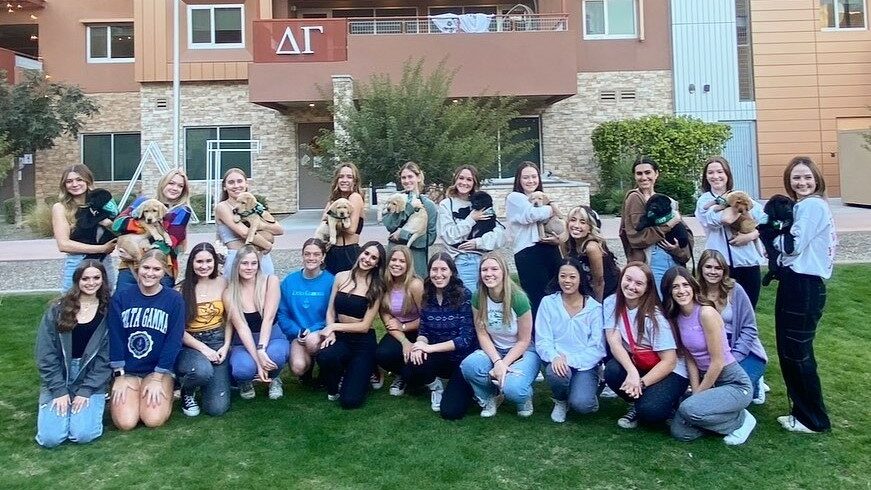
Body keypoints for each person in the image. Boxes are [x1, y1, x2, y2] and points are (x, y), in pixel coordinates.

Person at [773, 156, 837, 434]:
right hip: (798, 284)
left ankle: (812, 419)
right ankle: (802, 413)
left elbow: (791, 246)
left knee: (796, 353)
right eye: (796, 178)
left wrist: (769, 236)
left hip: (803, 285)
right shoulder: (803, 206)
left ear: (817, 179)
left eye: (807, 177)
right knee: (792, 351)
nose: (802, 182)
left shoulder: (812, 206)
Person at [662, 267, 756, 445]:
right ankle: (720, 415)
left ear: (693, 286)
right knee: (680, 432)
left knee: (688, 408)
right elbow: (690, 358)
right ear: (669, 291)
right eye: (675, 287)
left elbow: (718, 362)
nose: (681, 291)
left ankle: (741, 420)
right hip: (712, 384)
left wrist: (697, 395)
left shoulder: (706, 313)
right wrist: (695, 389)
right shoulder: (677, 317)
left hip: (734, 383)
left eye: (685, 285)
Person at [35, 260, 111, 448]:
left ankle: (89, 408)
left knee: (82, 434)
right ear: (77, 280)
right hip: (61, 375)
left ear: (103, 280)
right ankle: (59, 407)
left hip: (91, 378)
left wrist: (86, 391)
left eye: (96, 278)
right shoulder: (58, 309)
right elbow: (46, 354)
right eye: (85, 278)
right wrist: (59, 390)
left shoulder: (109, 311)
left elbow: (105, 359)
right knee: (50, 439)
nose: (91, 283)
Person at [603, 262, 688, 429]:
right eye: (628, 279)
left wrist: (640, 383)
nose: (631, 286)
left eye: (639, 283)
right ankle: (641, 402)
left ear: (647, 288)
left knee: (650, 412)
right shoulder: (611, 303)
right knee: (612, 371)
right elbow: (613, 340)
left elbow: (669, 361)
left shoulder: (654, 316)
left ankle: (667, 400)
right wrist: (632, 373)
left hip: (672, 370)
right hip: (641, 364)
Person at [108, 249, 185, 430]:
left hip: (157, 371)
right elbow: (115, 336)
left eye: (156, 269)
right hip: (128, 370)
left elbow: (174, 340)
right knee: (125, 423)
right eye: (146, 267)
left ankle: (165, 389)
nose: (150, 273)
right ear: (137, 267)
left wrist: (158, 378)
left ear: (164, 271)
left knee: (152, 420)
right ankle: (134, 390)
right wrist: (119, 375)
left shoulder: (174, 299)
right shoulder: (121, 297)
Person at [461, 254, 540, 418]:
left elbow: (524, 340)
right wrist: (497, 361)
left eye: (494, 269)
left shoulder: (518, 299)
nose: (489, 273)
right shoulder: (478, 296)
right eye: (484, 269)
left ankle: (523, 397)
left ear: (504, 272)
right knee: (469, 366)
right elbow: (482, 333)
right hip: (495, 349)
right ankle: (492, 396)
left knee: (515, 389)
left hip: (522, 351)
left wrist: (503, 364)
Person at [405, 253, 477, 416]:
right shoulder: (427, 296)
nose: (438, 274)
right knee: (412, 364)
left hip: (462, 359)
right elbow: (424, 330)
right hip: (439, 357)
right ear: (429, 272)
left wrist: (429, 348)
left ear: (452, 272)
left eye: (443, 269)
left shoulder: (464, 295)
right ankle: (436, 386)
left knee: (450, 412)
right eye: (434, 270)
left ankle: (476, 388)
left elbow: (465, 340)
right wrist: (419, 344)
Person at [535, 258, 606, 423]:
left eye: (572, 277)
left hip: (585, 365)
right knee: (556, 373)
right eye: (563, 276)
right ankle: (560, 400)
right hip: (558, 363)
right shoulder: (548, 303)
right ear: (557, 277)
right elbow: (542, 340)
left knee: (582, 405)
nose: (567, 281)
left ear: (580, 278)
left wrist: (569, 360)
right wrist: (555, 358)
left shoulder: (594, 309)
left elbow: (597, 347)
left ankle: (591, 389)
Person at [317, 241, 386, 409]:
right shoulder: (341, 276)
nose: (368, 259)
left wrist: (333, 327)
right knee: (324, 356)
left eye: (374, 258)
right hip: (341, 338)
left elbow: (364, 326)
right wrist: (331, 332)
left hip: (362, 342)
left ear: (377, 263)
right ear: (360, 253)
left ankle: (370, 369)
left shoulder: (377, 287)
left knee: (350, 401)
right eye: (366, 254)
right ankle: (343, 372)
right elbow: (331, 311)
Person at [697, 249, 768, 404]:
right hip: (712, 350)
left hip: (744, 350)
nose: (713, 272)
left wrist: (735, 357)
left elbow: (750, 328)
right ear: (701, 268)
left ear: (724, 271)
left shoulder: (735, 290)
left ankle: (756, 383)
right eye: (708, 267)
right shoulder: (696, 293)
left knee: (734, 392)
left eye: (718, 268)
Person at [694, 156, 765, 307]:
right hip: (720, 265)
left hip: (748, 263)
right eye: (710, 173)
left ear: (727, 175)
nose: (715, 176)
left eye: (720, 172)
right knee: (721, 313)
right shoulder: (704, 201)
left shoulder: (741, 195)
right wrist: (737, 205)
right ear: (705, 177)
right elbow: (722, 219)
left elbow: (763, 220)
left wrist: (751, 235)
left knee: (747, 312)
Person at [618, 156, 691, 291]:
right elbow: (636, 238)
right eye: (639, 173)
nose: (644, 177)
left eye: (648, 172)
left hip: (673, 258)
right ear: (634, 176)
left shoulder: (664, 200)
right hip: (652, 260)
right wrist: (668, 225)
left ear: (656, 174)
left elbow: (683, 229)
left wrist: (677, 249)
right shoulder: (635, 198)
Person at [175, 242, 231, 417]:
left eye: (209, 261)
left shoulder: (223, 282)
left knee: (216, 408)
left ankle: (210, 385)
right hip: (191, 343)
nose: (204, 266)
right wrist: (204, 349)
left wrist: (226, 346)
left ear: (215, 262)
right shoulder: (180, 289)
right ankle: (187, 390)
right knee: (202, 371)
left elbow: (230, 319)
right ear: (192, 262)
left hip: (218, 339)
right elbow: (178, 330)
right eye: (199, 261)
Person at [225, 245, 288, 400]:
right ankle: (245, 381)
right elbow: (241, 327)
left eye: (253, 263)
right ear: (237, 265)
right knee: (243, 369)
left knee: (275, 355)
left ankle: (274, 379)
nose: (249, 268)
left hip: (272, 336)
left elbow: (268, 318)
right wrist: (259, 363)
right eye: (245, 263)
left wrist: (262, 349)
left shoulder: (270, 281)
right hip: (244, 341)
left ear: (259, 265)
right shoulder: (229, 292)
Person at [113, 169, 193, 288]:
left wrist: (135, 254)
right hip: (129, 268)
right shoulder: (143, 202)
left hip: (161, 270)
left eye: (180, 186)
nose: (175, 188)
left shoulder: (182, 212)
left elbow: (167, 245)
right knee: (123, 304)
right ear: (163, 183)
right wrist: (146, 228)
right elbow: (117, 225)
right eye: (171, 183)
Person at [505, 161, 562, 319]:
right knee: (537, 297)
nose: (530, 181)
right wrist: (552, 208)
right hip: (528, 253)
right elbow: (531, 215)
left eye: (534, 176)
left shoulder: (540, 197)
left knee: (557, 293)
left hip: (549, 248)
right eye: (526, 177)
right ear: (519, 180)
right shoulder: (514, 197)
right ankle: (537, 336)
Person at [437, 165, 505, 294]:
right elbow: (449, 235)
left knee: (486, 303)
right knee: (469, 301)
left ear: (474, 183)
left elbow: (500, 234)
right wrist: (471, 218)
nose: (464, 182)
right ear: (455, 179)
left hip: (485, 260)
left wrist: (478, 242)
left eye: (469, 179)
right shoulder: (446, 204)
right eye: (461, 178)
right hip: (461, 259)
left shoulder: (481, 202)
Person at [276, 238, 335, 382]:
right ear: (302, 256)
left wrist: (315, 329)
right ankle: (307, 372)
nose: (311, 258)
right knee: (298, 367)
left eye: (316, 254)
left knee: (312, 341)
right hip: (298, 334)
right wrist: (297, 331)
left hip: (320, 333)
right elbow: (282, 314)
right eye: (307, 254)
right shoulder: (290, 281)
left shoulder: (331, 281)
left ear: (323, 257)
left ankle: (325, 369)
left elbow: (334, 313)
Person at [52, 164, 117, 290]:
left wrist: (109, 224)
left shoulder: (103, 202)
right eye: (69, 181)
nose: (74, 184)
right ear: (64, 185)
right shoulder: (60, 208)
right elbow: (63, 245)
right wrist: (102, 248)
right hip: (78, 262)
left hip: (103, 262)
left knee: (106, 304)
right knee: (72, 306)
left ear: (88, 181)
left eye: (79, 180)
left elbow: (118, 230)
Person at [215, 168, 284, 278]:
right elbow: (244, 232)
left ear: (246, 184)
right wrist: (267, 244)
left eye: (240, 181)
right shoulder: (223, 207)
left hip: (261, 258)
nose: (236, 185)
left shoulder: (254, 206)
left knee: (263, 292)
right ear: (224, 187)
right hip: (237, 260)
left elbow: (279, 229)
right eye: (231, 182)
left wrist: (262, 225)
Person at [375, 245, 423, 396]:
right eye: (393, 260)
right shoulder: (384, 284)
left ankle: (412, 375)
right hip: (397, 330)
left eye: (402, 261)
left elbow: (427, 319)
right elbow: (385, 315)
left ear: (408, 265)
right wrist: (403, 341)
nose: (397, 264)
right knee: (382, 354)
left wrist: (404, 326)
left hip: (419, 330)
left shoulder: (415, 285)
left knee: (416, 378)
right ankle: (401, 374)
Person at [383, 162, 439, 278]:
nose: (407, 181)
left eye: (410, 177)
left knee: (415, 293)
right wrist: (408, 208)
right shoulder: (394, 199)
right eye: (403, 177)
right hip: (395, 259)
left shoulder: (429, 206)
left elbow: (430, 237)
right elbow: (390, 225)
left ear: (418, 178)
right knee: (395, 294)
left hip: (416, 260)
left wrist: (404, 234)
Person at [564, 205, 620, 302]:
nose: (576, 225)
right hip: (586, 291)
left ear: (590, 228)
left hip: (608, 293)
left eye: (582, 222)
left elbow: (599, 282)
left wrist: (596, 306)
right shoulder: (567, 242)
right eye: (573, 220)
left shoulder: (591, 247)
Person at [322, 163, 366, 274]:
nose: (344, 180)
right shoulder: (334, 200)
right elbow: (323, 221)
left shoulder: (354, 197)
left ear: (355, 181)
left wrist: (330, 219)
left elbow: (351, 229)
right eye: (341, 176)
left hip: (347, 252)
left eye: (349, 177)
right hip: (331, 251)